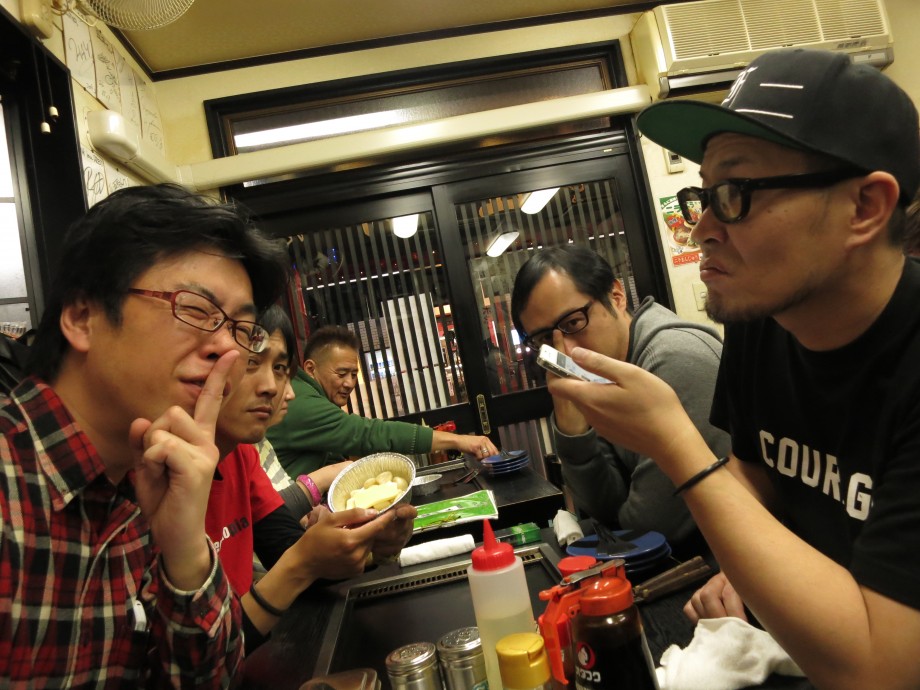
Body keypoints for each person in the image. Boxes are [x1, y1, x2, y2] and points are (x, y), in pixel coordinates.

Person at [547, 48, 920, 688]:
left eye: (735, 194)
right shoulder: (763, 317)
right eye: (703, 196)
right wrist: (747, 564)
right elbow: (755, 469)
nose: (702, 232)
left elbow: (881, 669)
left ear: (864, 207)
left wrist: (675, 443)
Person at [0, 183, 289, 687]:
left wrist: (186, 550)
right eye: (195, 309)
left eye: (242, 329)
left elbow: (205, 680)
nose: (227, 350)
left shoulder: (151, 479)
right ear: (82, 317)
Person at [210, 305, 417, 652]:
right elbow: (201, 657)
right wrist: (305, 559)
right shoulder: (154, 480)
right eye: (251, 362)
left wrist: (374, 550)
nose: (277, 389)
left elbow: (287, 549)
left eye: (279, 369)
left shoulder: (242, 455)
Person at [510, 246, 729, 546]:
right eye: (546, 338)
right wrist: (573, 433)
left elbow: (650, 530)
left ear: (616, 296)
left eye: (573, 323)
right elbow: (605, 506)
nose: (566, 351)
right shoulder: (603, 374)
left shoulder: (674, 359)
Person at [268, 325, 498, 480]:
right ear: (310, 368)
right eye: (341, 374)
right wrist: (459, 441)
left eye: (354, 374)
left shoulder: (309, 394)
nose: (349, 383)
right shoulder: (300, 401)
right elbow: (369, 433)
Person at [254, 306, 351, 518]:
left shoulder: (256, 447)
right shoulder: (305, 404)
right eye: (252, 363)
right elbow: (366, 432)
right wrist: (319, 481)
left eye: (279, 368)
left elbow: (277, 524)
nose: (350, 383)